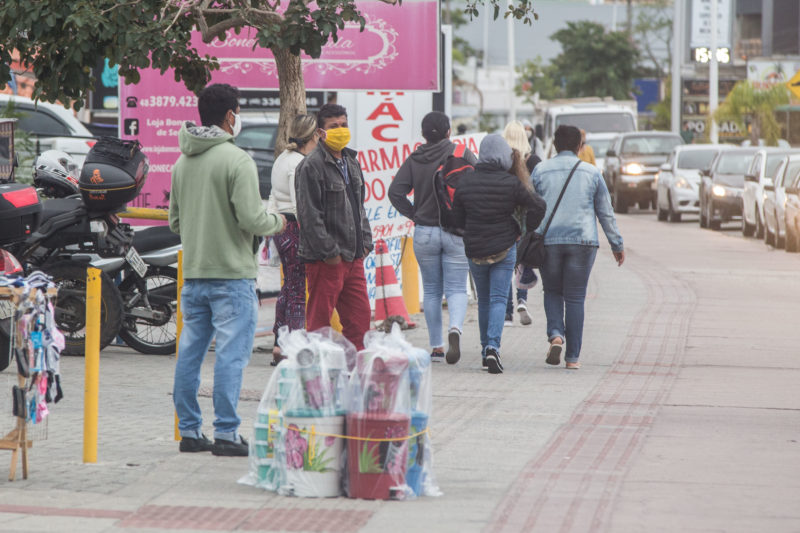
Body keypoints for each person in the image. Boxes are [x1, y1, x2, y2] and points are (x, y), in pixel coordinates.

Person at [169, 83, 286, 456]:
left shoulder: (182, 162)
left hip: (195, 274)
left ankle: (189, 432)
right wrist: (279, 221)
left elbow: (175, 223)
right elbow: (253, 219)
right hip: (233, 276)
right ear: (231, 116)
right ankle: (226, 433)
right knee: (231, 358)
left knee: (189, 354)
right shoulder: (238, 161)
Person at [531, 125, 625, 370]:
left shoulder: (540, 170)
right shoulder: (592, 173)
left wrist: (523, 238)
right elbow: (605, 212)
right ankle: (572, 358)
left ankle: (556, 335)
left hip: (548, 240)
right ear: (579, 147)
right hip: (583, 242)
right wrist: (616, 244)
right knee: (575, 298)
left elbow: (528, 208)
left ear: (554, 144)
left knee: (552, 291)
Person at [451, 134, 546, 374]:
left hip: (475, 250)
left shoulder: (465, 182)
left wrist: (468, 231)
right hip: (505, 248)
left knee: (484, 300)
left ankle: (486, 350)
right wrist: (522, 230)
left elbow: (456, 219)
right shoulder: (511, 183)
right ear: (504, 156)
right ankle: (493, 348)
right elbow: (538, 205)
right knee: (497, 299)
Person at [389, 111, 477, 364]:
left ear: (424, 134)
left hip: (425, 232)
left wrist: (414, 213)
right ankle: (455, 329)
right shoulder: (462, 152)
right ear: (449, 131)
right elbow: (478, 182)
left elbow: (395, 192)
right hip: (456, 231)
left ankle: (437, 347)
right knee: (457, 288)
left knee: (431, 291)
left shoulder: (415, 158)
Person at [295, 103, 373, 351]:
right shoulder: (311, 165)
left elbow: (359, 207)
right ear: (320, 133)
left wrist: (366, 242)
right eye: (334, 127)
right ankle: (317, 377)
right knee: (319, 325)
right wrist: (330, 253)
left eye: (344, 125)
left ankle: (358, 377)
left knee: (360, 322)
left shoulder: (351, 161)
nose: (340, 130)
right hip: (325, 260)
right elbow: (309, 215)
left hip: (354, 257)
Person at [267, 114, 319, 365]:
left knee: (288, 288)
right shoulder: (300, 163)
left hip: (280, 227)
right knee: (298, 291)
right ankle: (293, 347)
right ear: (313, 136)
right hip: (296, 228)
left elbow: (273, 196)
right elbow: (302, 204)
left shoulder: (282, 159)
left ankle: (279, 344)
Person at [502, 121, 542, 327]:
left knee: (506, 266)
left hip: (505, 219)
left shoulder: (501, 160)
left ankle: (507, 314)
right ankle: (522, 300)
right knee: (522, 261)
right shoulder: (532, 160)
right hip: (527, 219)